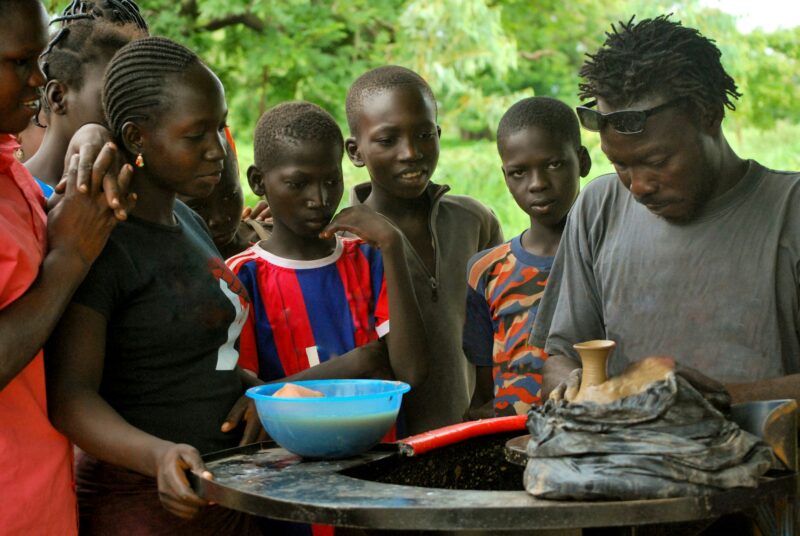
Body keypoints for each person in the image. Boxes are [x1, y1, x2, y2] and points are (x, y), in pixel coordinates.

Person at [46, 36, 262, 534]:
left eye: (221, 127)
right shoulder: (103, 234)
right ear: (137, 137)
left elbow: (193, 356)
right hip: (142, 503)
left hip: (222, 491)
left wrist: (256, 394)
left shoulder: (186, 218)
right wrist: (159, 455)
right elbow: (70, 396)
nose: (217, 150)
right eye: (196, 135)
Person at [532, 15, 800, 405]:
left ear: (709, 115)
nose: (638, 187)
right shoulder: (598, 207)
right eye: (620, 165)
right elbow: (562, 356)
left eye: (658, 161)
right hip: (624, 463)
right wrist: (573, 385)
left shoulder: (790, 211)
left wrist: (718, 399)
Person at [0, 1, 134, 533]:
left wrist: (89, 134)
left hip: (44, 500)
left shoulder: (9, 163)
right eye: (18, 62)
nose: (37, 76)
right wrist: (70, 258)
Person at [227, 101, 428, 395]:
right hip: (287, 442)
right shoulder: (242, 277)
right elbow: (247, 394)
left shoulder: (370, 258)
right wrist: (361, 361)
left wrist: (392, 243)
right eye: (298, 183)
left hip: (381, 441)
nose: (320, 199)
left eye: (332, 181)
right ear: (258, 181)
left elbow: (411, 372)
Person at [345, 65, 503, 434]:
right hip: (385, 448)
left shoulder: (474, 222)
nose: (411, 152)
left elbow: (502, 329)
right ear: (356, 151)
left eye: (424, 135)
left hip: (472, 436)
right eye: (387, 140)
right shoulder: (344, 242)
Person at [463, 96, 590, 418]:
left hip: (590, 440)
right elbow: (484, 390)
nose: (538, 184)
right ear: (505, 177)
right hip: (510, 442)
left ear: (583, 161)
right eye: (519, 172)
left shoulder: (606, 260)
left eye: (554, 164)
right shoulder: (486, 271)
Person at [25, 18, 143, 193]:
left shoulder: (123, 195)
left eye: (134, 99)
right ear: (57, 97)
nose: (127, 113)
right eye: (111, 96)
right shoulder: (11, 193)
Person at [180, 129, 273, 259]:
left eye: (230, 196)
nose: (219, 219)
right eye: (196, 208)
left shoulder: (271, 241)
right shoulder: (160, 267)